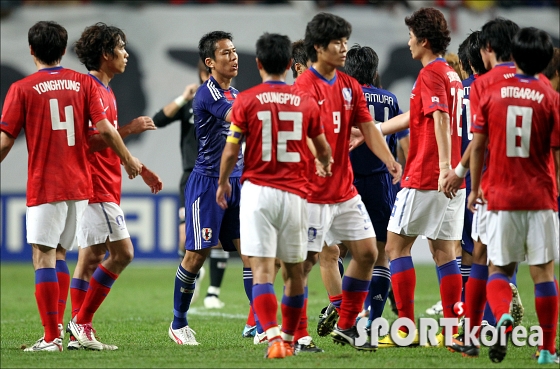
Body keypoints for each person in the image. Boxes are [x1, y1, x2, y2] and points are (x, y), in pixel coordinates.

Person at [0, 20, 142, 352]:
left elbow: (6, 142)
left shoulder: (21, 88)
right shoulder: (84, 83)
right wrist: (128, 157)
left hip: (45, 184)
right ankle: (63, 331)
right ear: (63, 50)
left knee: (43, 255)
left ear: (32, 51)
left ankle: (51, 338)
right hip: (80, 185)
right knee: (60, 254)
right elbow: (104, 128)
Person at [216, 32, 332, 360]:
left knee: (263, 269)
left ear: (259, 63)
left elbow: (230, 150)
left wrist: (224, 182)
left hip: (258, 193)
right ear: (289, 64)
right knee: (296, 272)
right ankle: (292, 337)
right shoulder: (306, 101)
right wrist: (323, 163)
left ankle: (273, 339)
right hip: (295, 194)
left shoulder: (246, 100)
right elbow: (322, 148)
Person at [296, 12, 402, 351]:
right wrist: (319, 155)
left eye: (345, 41)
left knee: (369, 251)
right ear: (318, 47)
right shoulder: (304, 87)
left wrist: (389, 159)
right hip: (313, 191)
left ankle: (347, 323)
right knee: (305, 262)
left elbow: (368, 126)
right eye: (336, 43)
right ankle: (295, 335)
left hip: (345, 189)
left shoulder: (349, 86)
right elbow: (301, 133)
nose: (343, 48)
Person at [65, 22, 163, 351]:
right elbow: (97, 137)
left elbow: (98, 140)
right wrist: (130, 142)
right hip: (96, 185)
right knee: (123, 253)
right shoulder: (93, 88)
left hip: (100, 181)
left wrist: (134, 161)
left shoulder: (103, 89)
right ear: (106, 54)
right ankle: (81, 322)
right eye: (121, 48)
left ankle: (79, 331)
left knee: (91, 256)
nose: (126, 54)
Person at [467, 27, 559, 365]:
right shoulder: (551, 96)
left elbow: (478, 146)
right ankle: (547, 350)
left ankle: (502, 315)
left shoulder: (493, 92)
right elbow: (557, 150)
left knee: (499, 270)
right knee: (544, 274)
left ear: (514, 56)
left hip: (500, 197)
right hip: (540, 197)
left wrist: (475, 188)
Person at [381, 7, 464, 347]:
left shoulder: (430, 73)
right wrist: (374, 130)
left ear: (424, 40)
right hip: (452, 178)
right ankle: (453, 327)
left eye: (412, 36)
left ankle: (404, 329)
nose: (409, 42)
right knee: (445, 252)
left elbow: (440, 117)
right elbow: (415, 117)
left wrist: (443, 166)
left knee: (395, 247)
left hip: (429, 173)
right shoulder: (450, 74)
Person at [442, 18, 525, 357]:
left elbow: (479, 139)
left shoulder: (481, 84)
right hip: (536, 188)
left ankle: (477, 331)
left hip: (491, 183)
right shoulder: (534, 83)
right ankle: (544, 345)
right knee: (533, 267)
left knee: (480, 256)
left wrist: (462, 175)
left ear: (486, 49)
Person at [168, 30, 253, 346]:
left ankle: (258, 323)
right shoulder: (208, 94)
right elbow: (239, 118)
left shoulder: (237, 93)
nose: (233, 57)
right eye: (226, 53)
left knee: (250, 254)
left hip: (237, 182)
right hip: (206, 183)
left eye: (234, 51)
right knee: (197, 254)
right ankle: (178, 323)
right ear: (209, 62)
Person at [321, 44, 405, 334]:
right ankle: (372, 320)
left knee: (335, 251)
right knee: (379, 254)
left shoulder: (341, 97)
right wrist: (398, 165)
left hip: (345, 183)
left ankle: (342, 307)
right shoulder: (390, 99)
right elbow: (401, 140)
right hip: (381, 183)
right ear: (374, 69)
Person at [152, 60, 229, 310]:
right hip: (193, 177)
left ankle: (213, 293)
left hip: (222, 175)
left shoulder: (229, 101)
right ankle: (192, 278)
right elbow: (158, 120)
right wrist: (183, 97)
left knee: (218, 237)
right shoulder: (193, 101)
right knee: (186, 236)